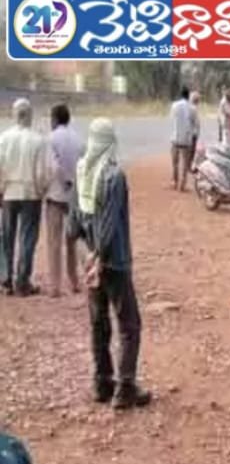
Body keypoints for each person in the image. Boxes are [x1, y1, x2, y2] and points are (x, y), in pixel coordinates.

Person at [68, 118, 150, 408]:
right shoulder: (113, 175)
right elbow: (110, 222)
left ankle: (102, 383)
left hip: (90, 261)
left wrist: (87, 259)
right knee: (130, 324)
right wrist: (100, 256)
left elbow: (73, 223)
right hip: (113, 261)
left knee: (98, 323)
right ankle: (125, 387)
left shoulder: (81, 171)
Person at [0, 98, 51, 296]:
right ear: (30, 116)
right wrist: (41, 190)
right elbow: (43, 172)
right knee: (28, 237)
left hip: (9, 192)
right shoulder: (38, 140)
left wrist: (1, 189)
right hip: (31, 193)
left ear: (14, 115)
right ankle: (23, 281)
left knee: (7, 237)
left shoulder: (3, 139)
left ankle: (6, 280)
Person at [45, 103, 83, 297]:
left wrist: (65, 180)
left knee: (54, 241)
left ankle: (55, 286)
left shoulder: (51, 139)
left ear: (54, 119)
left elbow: (54, 166)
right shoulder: (78, 138)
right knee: (72, 240)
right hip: (74, 195)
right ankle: (74, 280)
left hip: (56, 193)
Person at [169, 86, 197, 191]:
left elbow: (172, 119)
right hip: (187, 139)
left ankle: (174, 181)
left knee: (175, 162)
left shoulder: (174, 105)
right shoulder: (192, 108)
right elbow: (195, 124)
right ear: (188, 95)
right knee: (185, 163)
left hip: (175, 137)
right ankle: (182, 183)